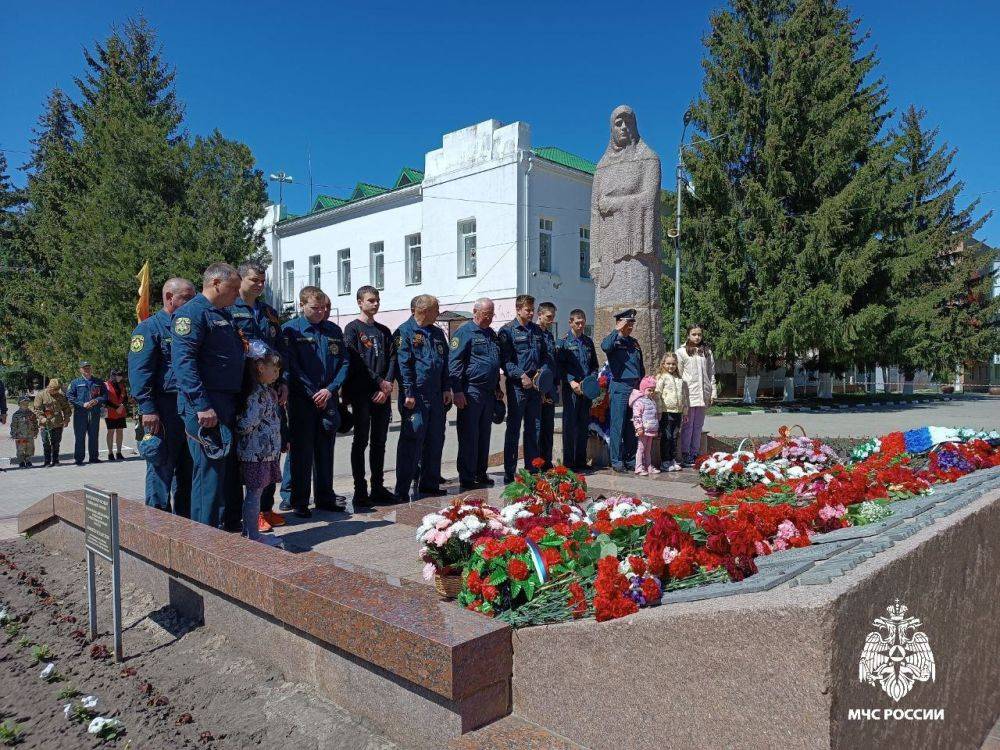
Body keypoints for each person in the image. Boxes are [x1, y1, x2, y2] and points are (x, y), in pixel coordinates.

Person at [172, 263, 245, 528]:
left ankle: (219, 532)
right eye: (233, 287)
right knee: (208, 474)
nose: (238, 294)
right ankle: (203, 539)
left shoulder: (223, 313)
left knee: (222, 473)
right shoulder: (191, 315)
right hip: (205, 406)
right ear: (215, 283)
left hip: (225, 402)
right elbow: (184, 363)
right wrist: (202, 405)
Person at [228, 262, 288, 532]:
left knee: (272, 448)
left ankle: (266, 507)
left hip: (270, 385)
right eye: (254, 280)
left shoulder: (268, 312)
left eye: (262, 280)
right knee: (250, 451)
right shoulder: (230, 308)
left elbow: (279, 349)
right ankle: (248, 514)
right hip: (243, 387)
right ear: (240, 279)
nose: (260, 285)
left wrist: (282, 380)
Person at [129, 277, 196, 516]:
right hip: (162, 408)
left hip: (187, 407)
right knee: (161, 464)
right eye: (187, 298)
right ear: (169, 298)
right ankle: (157, 521)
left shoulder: (189, 326)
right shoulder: (149, 328)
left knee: (187, 467)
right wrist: (148, 409)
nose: (192, 302)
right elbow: (140, 372)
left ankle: (185, 521)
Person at [282, 286, 349, 518]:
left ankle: (325, 497)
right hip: (303, 401)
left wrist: (329, 390)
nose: (320, 312)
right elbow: (291, 366)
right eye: (314, 308)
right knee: (302, 452)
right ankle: (299, 500)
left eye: (323, 308)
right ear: (302, 305)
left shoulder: (333, 330)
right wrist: (313, 392)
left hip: (327, 399)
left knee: (325, 450)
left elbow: (344, 363)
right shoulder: (291, 330)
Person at [392, 294, 451, 501]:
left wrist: (446, 388)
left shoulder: (436, 333)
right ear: (424, 311)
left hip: (435, 395)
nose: (438, 312)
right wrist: (408, 391)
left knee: (436, 439)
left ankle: (430, 483)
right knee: (412, 439)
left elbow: (445, 362)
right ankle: (402, 489)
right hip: (415, 396)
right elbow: (403, 364)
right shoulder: (404, 332)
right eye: (436, 309)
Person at [344, 286, 395, 507]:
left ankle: (378, 486)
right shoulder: (353, 329)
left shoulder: (383, 331)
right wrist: (378, 382)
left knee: (379, 442)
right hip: (362, 393)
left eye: (377, 300)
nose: (375, 304)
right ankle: (360, 489)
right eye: (371, 300)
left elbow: (392, 358)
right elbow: (356, 362)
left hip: (382, 394)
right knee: (361, 441)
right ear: (359, 302)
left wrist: (387, 385)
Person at [450, 298, 502, 490]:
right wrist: (457, 390)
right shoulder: (465, 332)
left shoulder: (491, 334)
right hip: (471, 391)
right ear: (475, 312)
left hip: (488, 392)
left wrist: (497, 387)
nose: (489, 318)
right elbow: (455, 362)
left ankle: (481, 472)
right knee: (469, 436)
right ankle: (467, 475)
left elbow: (494, 362)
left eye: (492, 314)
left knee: (484, 435)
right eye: (486, 314)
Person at [235, 343, 284, 546]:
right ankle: (253, 535)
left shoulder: (265, 391)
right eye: (275, 369)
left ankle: (250, 532)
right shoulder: (257, 394)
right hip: (255, 453)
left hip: (263, 453)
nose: (278, 373)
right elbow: (245, 424)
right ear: (261, 368)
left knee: (257, 492)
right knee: (254, 495)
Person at [498, 294, 548, 483]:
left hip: (535, 386)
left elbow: (544, 356)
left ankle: (532, 468)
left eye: (532, 309)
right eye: (528, 309)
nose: (531, 312)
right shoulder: (508, 331)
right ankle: (509, 472)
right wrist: (521, 375)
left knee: (534, 428)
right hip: (518, 387)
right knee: (513, 428)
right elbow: (506, 361)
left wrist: (542, 373)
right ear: (518, 309)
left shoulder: (536, 330)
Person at [602, 309, 644, 472]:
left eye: (632, 323)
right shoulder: (613, 341)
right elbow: (605, 346)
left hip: (634, 387)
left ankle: (631, 459)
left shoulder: (634, 342)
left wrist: (641, 384)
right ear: (620, 323)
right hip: (619, 386)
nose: (630, 326)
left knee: (631, 424)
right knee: (617, 424)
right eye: (627, 323)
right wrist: (617, 330)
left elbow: (640, 367)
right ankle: (616, 460)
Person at [557, 309, 599, 472]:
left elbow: (594, 365)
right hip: (572, 389)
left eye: (582, 322)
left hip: (586, 390)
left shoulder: (588, 342)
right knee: (570, 426)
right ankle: (569, 463)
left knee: (583, 425)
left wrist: (591, 380)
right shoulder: (564, 342)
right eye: (577, 322)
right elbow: (560, 366)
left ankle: (581, 461)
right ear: (570, 322)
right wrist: (570, 381)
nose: (581, 325)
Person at [675, 325, 715, 467]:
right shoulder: (681, 352)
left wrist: (712, 392)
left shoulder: (707, 351)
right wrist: (680, 396)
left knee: (698, 426)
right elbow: (678, 375)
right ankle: (685, 454)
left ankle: (695, 453)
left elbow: (711, 374)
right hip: (689, 395)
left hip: (703, 394)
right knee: (688, 426)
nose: (697, 337)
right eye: (694, 334)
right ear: (688, 335)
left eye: (699, 334)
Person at [67, 361, 108, 465]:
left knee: (94, 435)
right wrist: (82, 404)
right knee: (80, 436)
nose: (87, 370)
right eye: (84, 368)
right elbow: (70, 396)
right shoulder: (75, 382)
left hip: (94, 413)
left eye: (88, 367)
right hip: (80, 413)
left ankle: (94, 457)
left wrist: (97, 400)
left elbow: (105, 396)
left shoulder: (98, 382)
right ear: (80, 370)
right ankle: (79, 459)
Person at [655, 352, 689, 472]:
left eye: (673, 364)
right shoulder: (661, 377)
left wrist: (685, 411)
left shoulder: (679, 379)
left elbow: (683, 396)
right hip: (666, 411)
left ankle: (672, 459)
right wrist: (659, 410)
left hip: (678, 411)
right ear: (663, 364)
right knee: (667, 436)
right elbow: (657, 395)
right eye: (668, 364)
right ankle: (665, 461)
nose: (671, 366)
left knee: (675, 436)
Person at [535, 301, 559, 470]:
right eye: (549, 317)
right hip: (536, 387)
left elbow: (552, 362)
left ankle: (547, 462)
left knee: (548, 427)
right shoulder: (533, 334)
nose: (551, 320)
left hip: (549, 386)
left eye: (553, 317)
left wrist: (556, 383)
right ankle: (536, 464)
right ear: (540, 315)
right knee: (536, 427)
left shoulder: (549, 336)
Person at [33, 378, 72, 467]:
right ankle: (47, 461)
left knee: (56, 443)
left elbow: (66, 408)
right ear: (49, 387)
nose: (55, 391)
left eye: (57, 389)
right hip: (45, 424)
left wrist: (66, 419)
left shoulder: (61, 396)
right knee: (46, 443)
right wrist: (41, 417)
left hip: (58, 423)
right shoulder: (41, 395)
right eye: (53, 389)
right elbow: (37, 409)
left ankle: (56, 460)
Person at [630, 376, 660, 476]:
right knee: (641, 448)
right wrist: (639, 427)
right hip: (643, 429)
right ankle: (638, 467)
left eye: (653, 390)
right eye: (649, 390)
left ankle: (648, 466)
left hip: (651, 429)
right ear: (643, 389)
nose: (651, 392)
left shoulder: (652, 401)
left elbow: (654, 415)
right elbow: (636, 415)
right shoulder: (639, 402)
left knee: (648, 449)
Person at [104, 369, 128, 461]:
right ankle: (110, 453)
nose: (120, 377)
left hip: (121, 411)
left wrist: (122, 406)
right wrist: (116, 407)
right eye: (118, 375)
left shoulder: (122, 385)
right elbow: (105, 400)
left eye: (121, 376)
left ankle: (119, 452)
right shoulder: (105, 385)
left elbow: (125, 398)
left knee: (120, 431)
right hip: (110, 412)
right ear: (113, 375)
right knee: (111, 431)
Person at [10, 396, 39, 468]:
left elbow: (35, 423)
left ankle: (28, 461)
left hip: (30, 435)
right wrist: (14, 434)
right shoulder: (16, 415)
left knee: (30, 448)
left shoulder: (31, 413)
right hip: (20, 435)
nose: (25, 405)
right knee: (21, 449)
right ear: (19, 404)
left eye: (27, 403)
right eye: (23, 403)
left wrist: (36, 432)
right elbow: (13, 425)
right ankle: (21, 461)